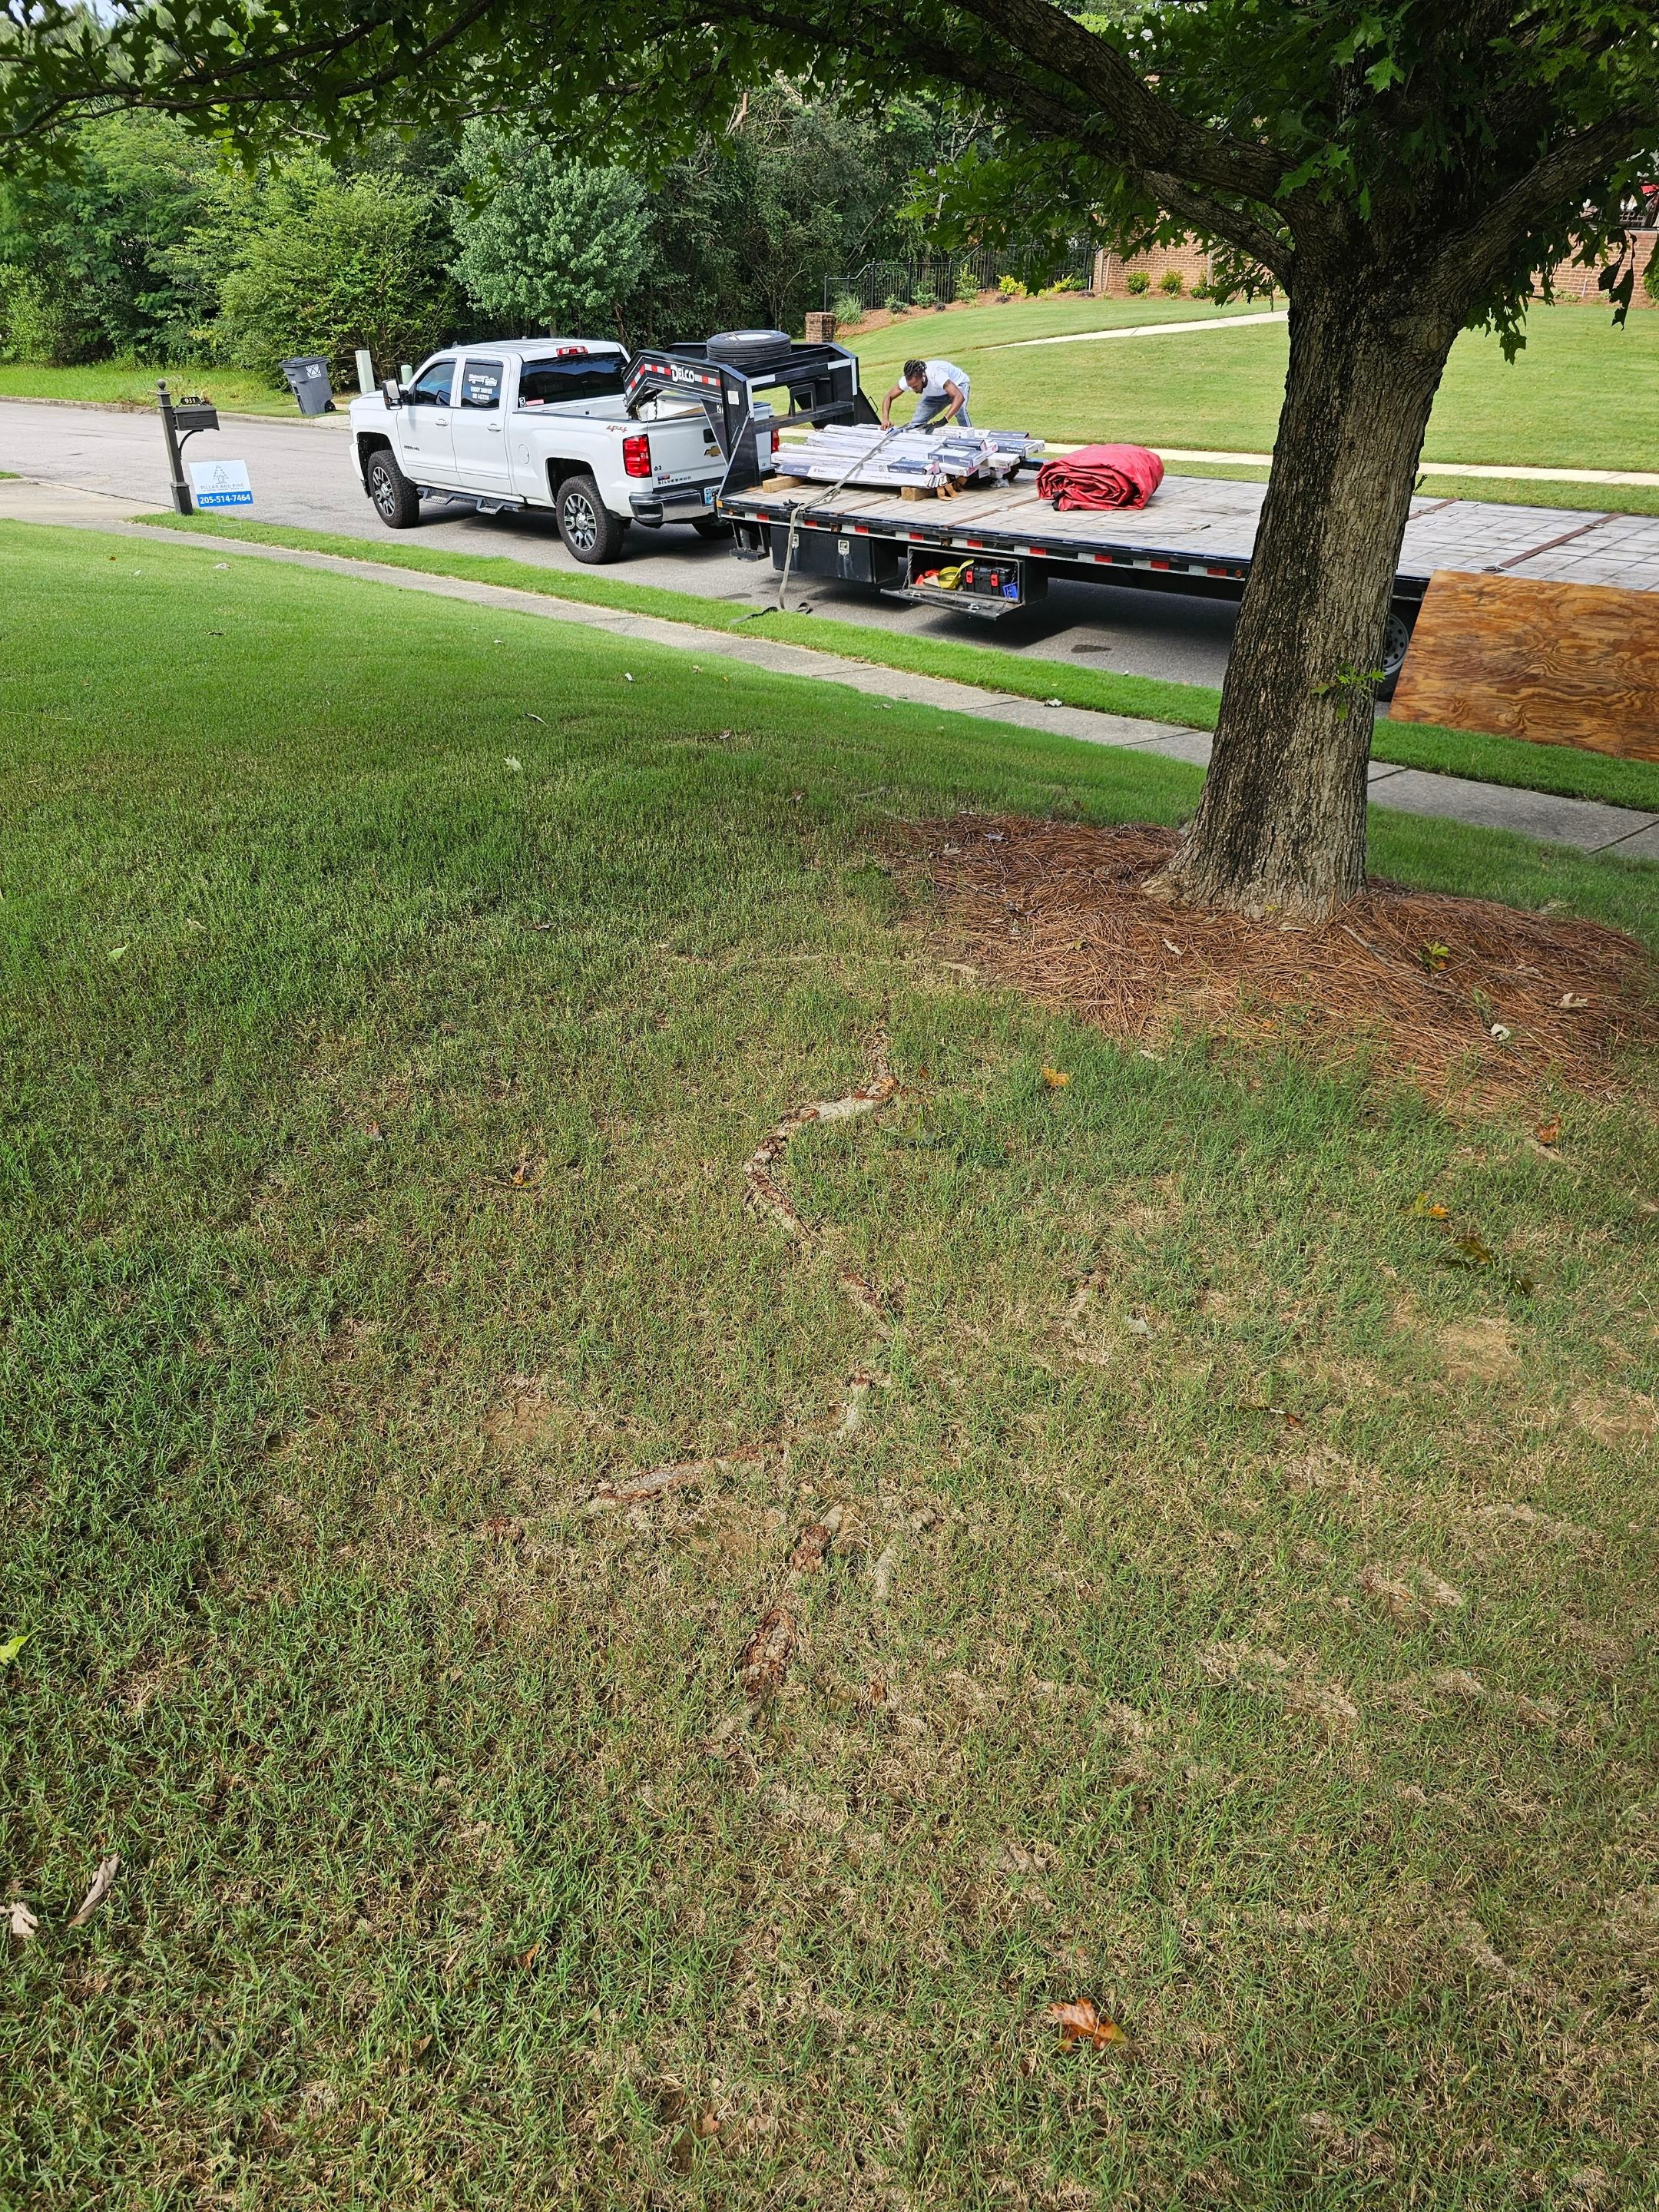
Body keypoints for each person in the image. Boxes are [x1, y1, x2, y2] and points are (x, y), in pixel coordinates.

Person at [882, 357, 972, 430]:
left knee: (960, 412)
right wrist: (885, 419)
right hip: (936, 393)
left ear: (923, 377)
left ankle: (970, 440)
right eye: (911, 387)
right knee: (916, 423)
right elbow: (888, 397)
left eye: (916, 386)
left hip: (958, 386)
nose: (914, 390)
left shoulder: (937, 374)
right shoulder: (908, 381)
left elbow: (959, 397)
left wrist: (945, 420)